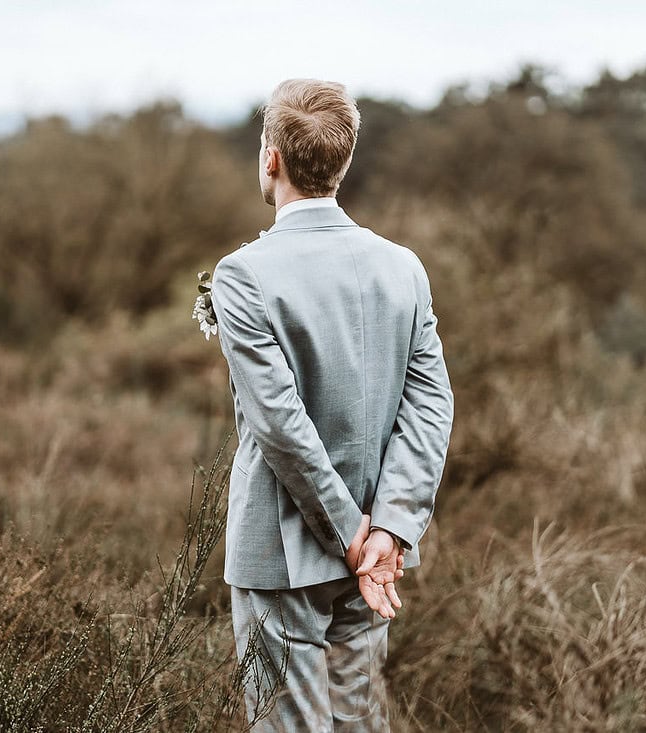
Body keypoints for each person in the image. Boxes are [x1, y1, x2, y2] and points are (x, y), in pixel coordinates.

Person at [211, 78, 454, 732]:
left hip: (286, 553)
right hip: (375, 550)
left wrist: (352, 535)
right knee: (360, 724)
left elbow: (279, 426)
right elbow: (431, 403)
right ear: (343, 161)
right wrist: (389, 528)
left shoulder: (242, 275)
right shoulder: (403, 267)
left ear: (271, 159)